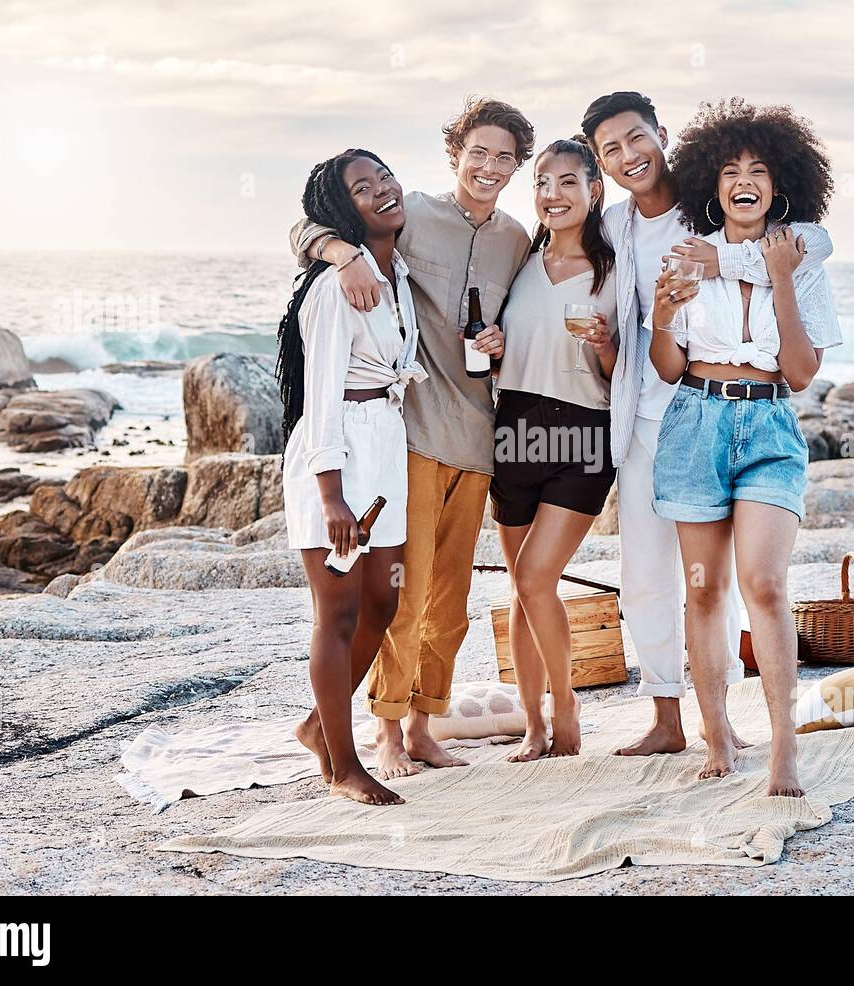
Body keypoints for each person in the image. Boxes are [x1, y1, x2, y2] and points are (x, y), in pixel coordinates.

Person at [580, 91, 833, 758]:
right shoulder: (614, 225)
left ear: (662, 136)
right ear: (603, 164)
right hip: (662, 414)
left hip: (751, 418)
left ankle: (752, 732)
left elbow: (809, 246)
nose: (629, 155)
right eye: (611, 149)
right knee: (662, 577)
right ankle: (679, 718)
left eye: (637, 138)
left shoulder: (721, 216)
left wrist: (728, 264)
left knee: (746, 583)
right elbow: (658, 346)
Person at [290, 97, 532, 779]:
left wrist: (504, 339)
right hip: (413, 437)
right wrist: (341, 253)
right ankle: (386, 733)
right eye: (477, 152)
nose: (488, 166)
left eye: (504, 156)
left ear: (518, 166)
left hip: (477, 440)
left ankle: (425, 724)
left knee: (450, 605)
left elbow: (532, 315)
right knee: (405, 592)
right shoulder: (410, 214)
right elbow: (308, 224)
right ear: (455, 151)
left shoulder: (518, 238)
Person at [648, 98, 843, 793]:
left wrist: (781, 278)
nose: (744, 179)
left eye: (758, 168)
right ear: (713, 184)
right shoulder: (685, 258)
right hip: (696, 420)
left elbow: (799, 371)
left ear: (780, 181)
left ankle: (784, 746)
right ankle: (716, 738)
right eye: (730, 169)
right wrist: (665, 314)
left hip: (768, 423)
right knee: (704, 593)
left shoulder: (804, 257)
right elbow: (667, 366)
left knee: (765, 584)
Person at [278, 149, 427, 806]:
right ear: (343, 211)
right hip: (336, 455)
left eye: (383, 177)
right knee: (337, 613)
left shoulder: (394, 269)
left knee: (384, 603)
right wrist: (332, 496)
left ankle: (319, 726)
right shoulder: (335, 287)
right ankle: (342, 766)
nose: (381, 191)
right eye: (361, 189)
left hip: (383, 447)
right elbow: (321, 396)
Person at [490, 138, 619, 761]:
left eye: (568, 182)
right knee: (522, 588)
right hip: (513, 429)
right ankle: (533, 722)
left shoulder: (615, 271)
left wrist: (603, 342)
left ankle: (566, 702)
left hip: (582, 434)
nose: (553, 195)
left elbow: (628, 370)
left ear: (595, 190)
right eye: (543, 182)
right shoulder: (518, 261)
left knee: (537, 575)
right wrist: (486, 344)